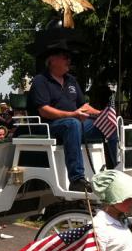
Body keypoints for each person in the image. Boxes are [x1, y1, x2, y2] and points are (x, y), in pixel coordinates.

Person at [28, 46, 118, 192]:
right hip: (49, 126)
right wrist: (73, 115)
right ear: (52, 60)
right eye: (65, 56)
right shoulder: (40, 80)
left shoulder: (71, 80)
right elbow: (43, 111)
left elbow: (83, 105)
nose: (69, 60)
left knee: (108, 123)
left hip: (74, 124)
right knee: (72, 124)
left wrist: (102, 113)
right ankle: (76, 179)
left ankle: (115, 172)